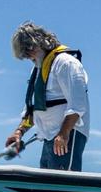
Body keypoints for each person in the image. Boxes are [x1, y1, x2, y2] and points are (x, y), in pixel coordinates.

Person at [5, 22, 90, 172]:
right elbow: (34, 107)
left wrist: (64, 134)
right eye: (24, 54)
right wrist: (19, 132)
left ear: (39, 42)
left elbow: (78, 104)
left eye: (28, 50)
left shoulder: (66, 63)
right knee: (47, 182)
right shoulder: (38, 69)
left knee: (62, 186)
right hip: (49, 137)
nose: (27, 55)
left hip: (67, 135)